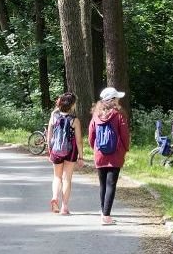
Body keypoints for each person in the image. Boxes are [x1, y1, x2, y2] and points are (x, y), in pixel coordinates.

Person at [89, 86, 131, 226]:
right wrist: (125, 149)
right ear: (112, 100)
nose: (119, 99)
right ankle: (106, 216)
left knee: (102, 185)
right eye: (117, 97)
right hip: (115, 154)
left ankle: (103, 212)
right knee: (111, 184)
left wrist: (94, 148)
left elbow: (91, 135)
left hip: (99, 153)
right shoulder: (119, 115)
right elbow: (125, 135)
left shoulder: (96, 115)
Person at [46, 92, 83, 215]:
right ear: (72, 105)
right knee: (67, 179)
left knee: (57, 177)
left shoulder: (54, 117)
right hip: (71, 151)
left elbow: (49, 135)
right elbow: (79, 141)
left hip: (56, 150)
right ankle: (64, 207)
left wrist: (49, 150)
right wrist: (81, 157)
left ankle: (55, 197)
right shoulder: (75, 120)